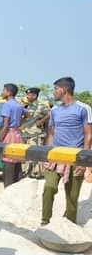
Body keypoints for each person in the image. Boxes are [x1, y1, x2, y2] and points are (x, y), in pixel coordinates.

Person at [42, 77, 92, 225]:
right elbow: (51, 133)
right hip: (56, 157)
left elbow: (88, 134)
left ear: (64, 89)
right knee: (49, 188)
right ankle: (45, 222)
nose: (54, 92)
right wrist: (46, 155)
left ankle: (69, 225)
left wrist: (84, 159)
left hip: (75, 158)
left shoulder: (83, 109)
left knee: (72, 196)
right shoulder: (54, 110)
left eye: (55, 89)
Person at [0, 83, 27, 187]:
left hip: (9, 134)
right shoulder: (18, 105)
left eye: (4, 90)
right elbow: (28, 114)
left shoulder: (7, 105)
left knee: (8, 163)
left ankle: (8, 187)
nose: (2, 92)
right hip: (17, 134)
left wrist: (0, 139)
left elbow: (6, 125)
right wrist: (20, 122)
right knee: (17, 163)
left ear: (9, 92)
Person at [20, 87, 50, 178]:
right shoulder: (25, 104)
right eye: (27, 94)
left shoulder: (42, 104)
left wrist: (41, 122)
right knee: (26, 153)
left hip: (36, 134)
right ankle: (26, 171)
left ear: (35, 95)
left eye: (30, 94)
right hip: (25, 133)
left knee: (35, 153)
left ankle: (36, 172)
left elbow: (50, 114)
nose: (28, 96)